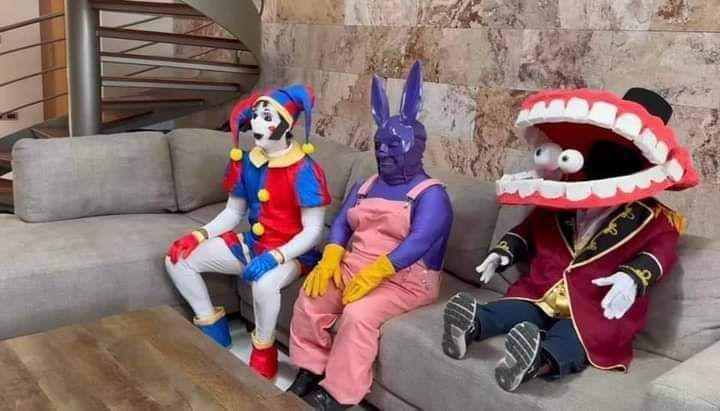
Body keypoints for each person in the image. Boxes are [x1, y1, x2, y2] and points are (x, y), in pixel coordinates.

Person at [442, 87, 699, 392]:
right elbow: (531, 230)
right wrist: (504, 253)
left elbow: (661, 251)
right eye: (604, 150)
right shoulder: (566, 196)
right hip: (543, 290)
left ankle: (536, 361)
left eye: (619, 154)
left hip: (595, 305)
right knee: (516, 309)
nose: (605, 163)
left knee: (575, 336)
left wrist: (631, 278)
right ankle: (472, 324)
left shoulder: (655, 219)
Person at [287, 61, 453, 410]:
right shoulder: (366, 185)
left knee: (358, 315)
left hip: (406, 280)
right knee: (312, 297)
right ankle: (311, 367)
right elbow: (342, 223)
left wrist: (379, 271)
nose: (383, 152)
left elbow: (420, 241)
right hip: (353, 265)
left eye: (393, 146)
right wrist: (332, 255)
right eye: (379, 145)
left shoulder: (432, 195)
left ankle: (339, 393)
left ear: (415, 147)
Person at [165, 85, 331, 380]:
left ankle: (264, 351)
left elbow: (314, 231)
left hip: (291, 254)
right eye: (255, 115)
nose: (256, 123)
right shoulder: (246, 162)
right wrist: (198, 235)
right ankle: (212, 327)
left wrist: (276, 257)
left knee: (264, 284)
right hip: (253, 245)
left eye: (266, 117)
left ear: (287, 124)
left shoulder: (304, 169)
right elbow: (233, 212)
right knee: (177, 259)